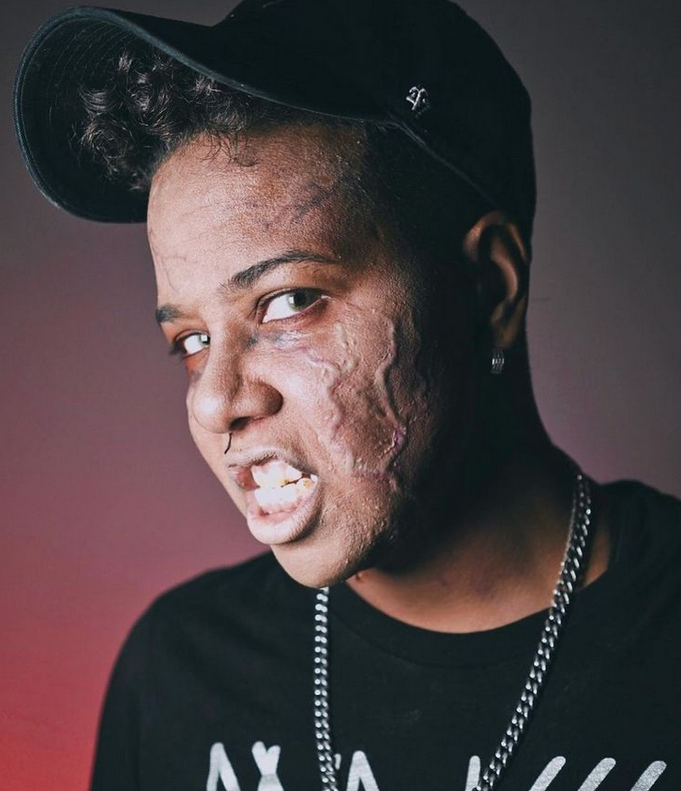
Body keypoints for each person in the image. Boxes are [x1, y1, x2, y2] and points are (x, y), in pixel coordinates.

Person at [12, 0, 681, 789]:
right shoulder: (180, 676)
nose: (215, 402)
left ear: (488, 286)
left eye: (288, 301)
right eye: (190, 340)